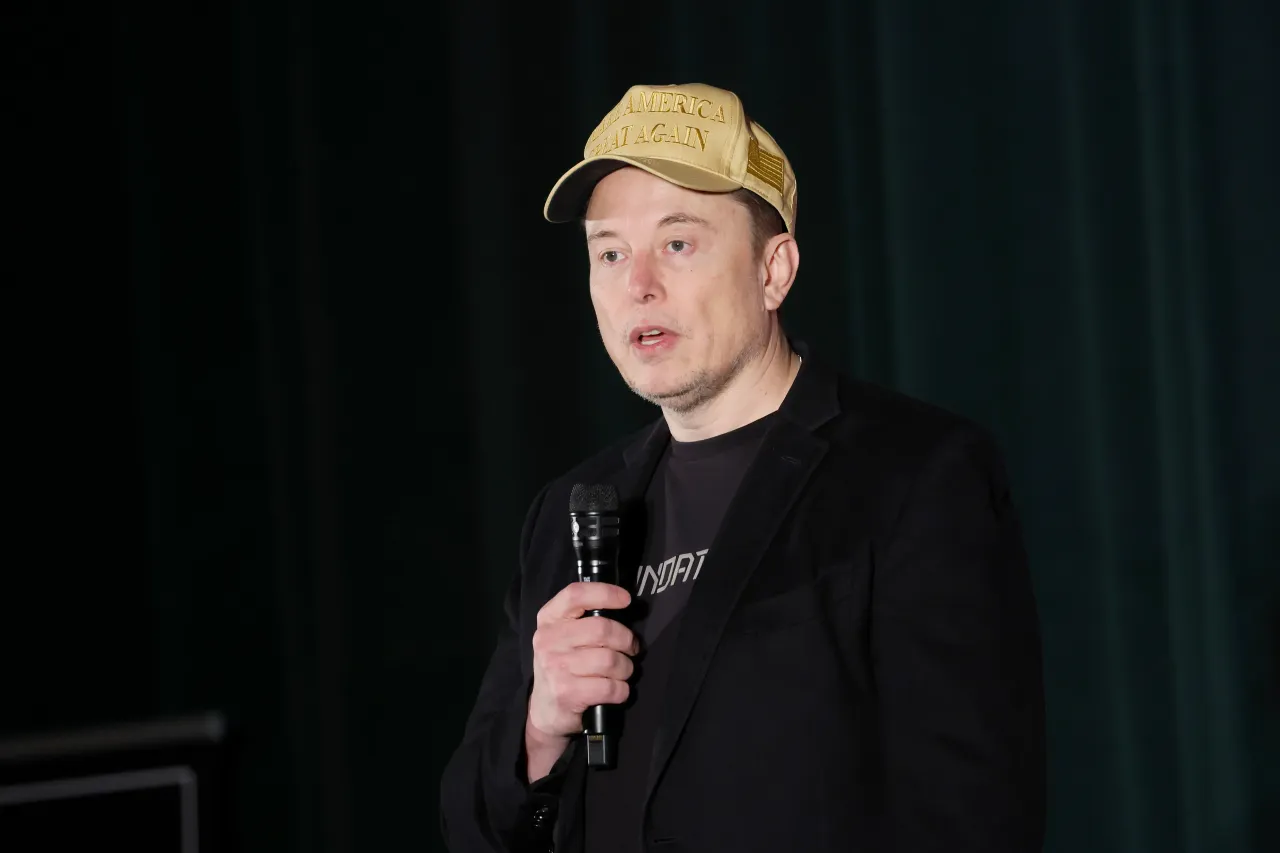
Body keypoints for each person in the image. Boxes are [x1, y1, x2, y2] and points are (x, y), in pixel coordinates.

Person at [440, 82, 1046, 853]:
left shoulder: (913, 476)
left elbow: (974, 818)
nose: (638, 284)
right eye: (610, 251)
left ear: (775, 269)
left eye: (678, 242)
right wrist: (538, 728)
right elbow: (471, 830)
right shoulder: (567, 516)